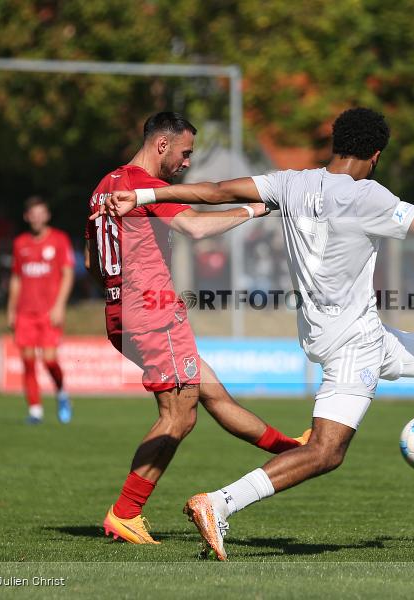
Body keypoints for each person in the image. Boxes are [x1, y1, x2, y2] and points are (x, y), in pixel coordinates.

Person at [102, 108, 414, 560]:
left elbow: (213, 192)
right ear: (374, 154)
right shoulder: (369, 195)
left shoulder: (292, 182)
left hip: (346, 331)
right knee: (326, 452)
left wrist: (144, 194)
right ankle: (219, 503)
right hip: (353, 343)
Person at [84, 112, 308, 546]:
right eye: (185, 153)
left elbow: (93, 262)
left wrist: (120, 295)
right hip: (154, 313)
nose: (187, 163)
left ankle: (293, 449)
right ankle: (125, 512)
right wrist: (258, 207)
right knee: (179, 415)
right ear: (162, 145)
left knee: (209, 391)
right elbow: (198, 228)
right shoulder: (143, 185)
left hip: (121, 315)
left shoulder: (102, 188)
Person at [8, 196, 74, 425]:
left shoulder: (59, 240)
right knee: (27, 362)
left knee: (48, 360)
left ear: (47, 216)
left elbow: (67, 274)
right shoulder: (20, 243)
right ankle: (35, 410)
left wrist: (59, 306)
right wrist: (11, 310)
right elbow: (16, 278)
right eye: (32, 214)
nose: (37, 218)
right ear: (27, 217)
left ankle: (61, 392)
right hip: (25, 312)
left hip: (48, 312)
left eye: (41, 213)